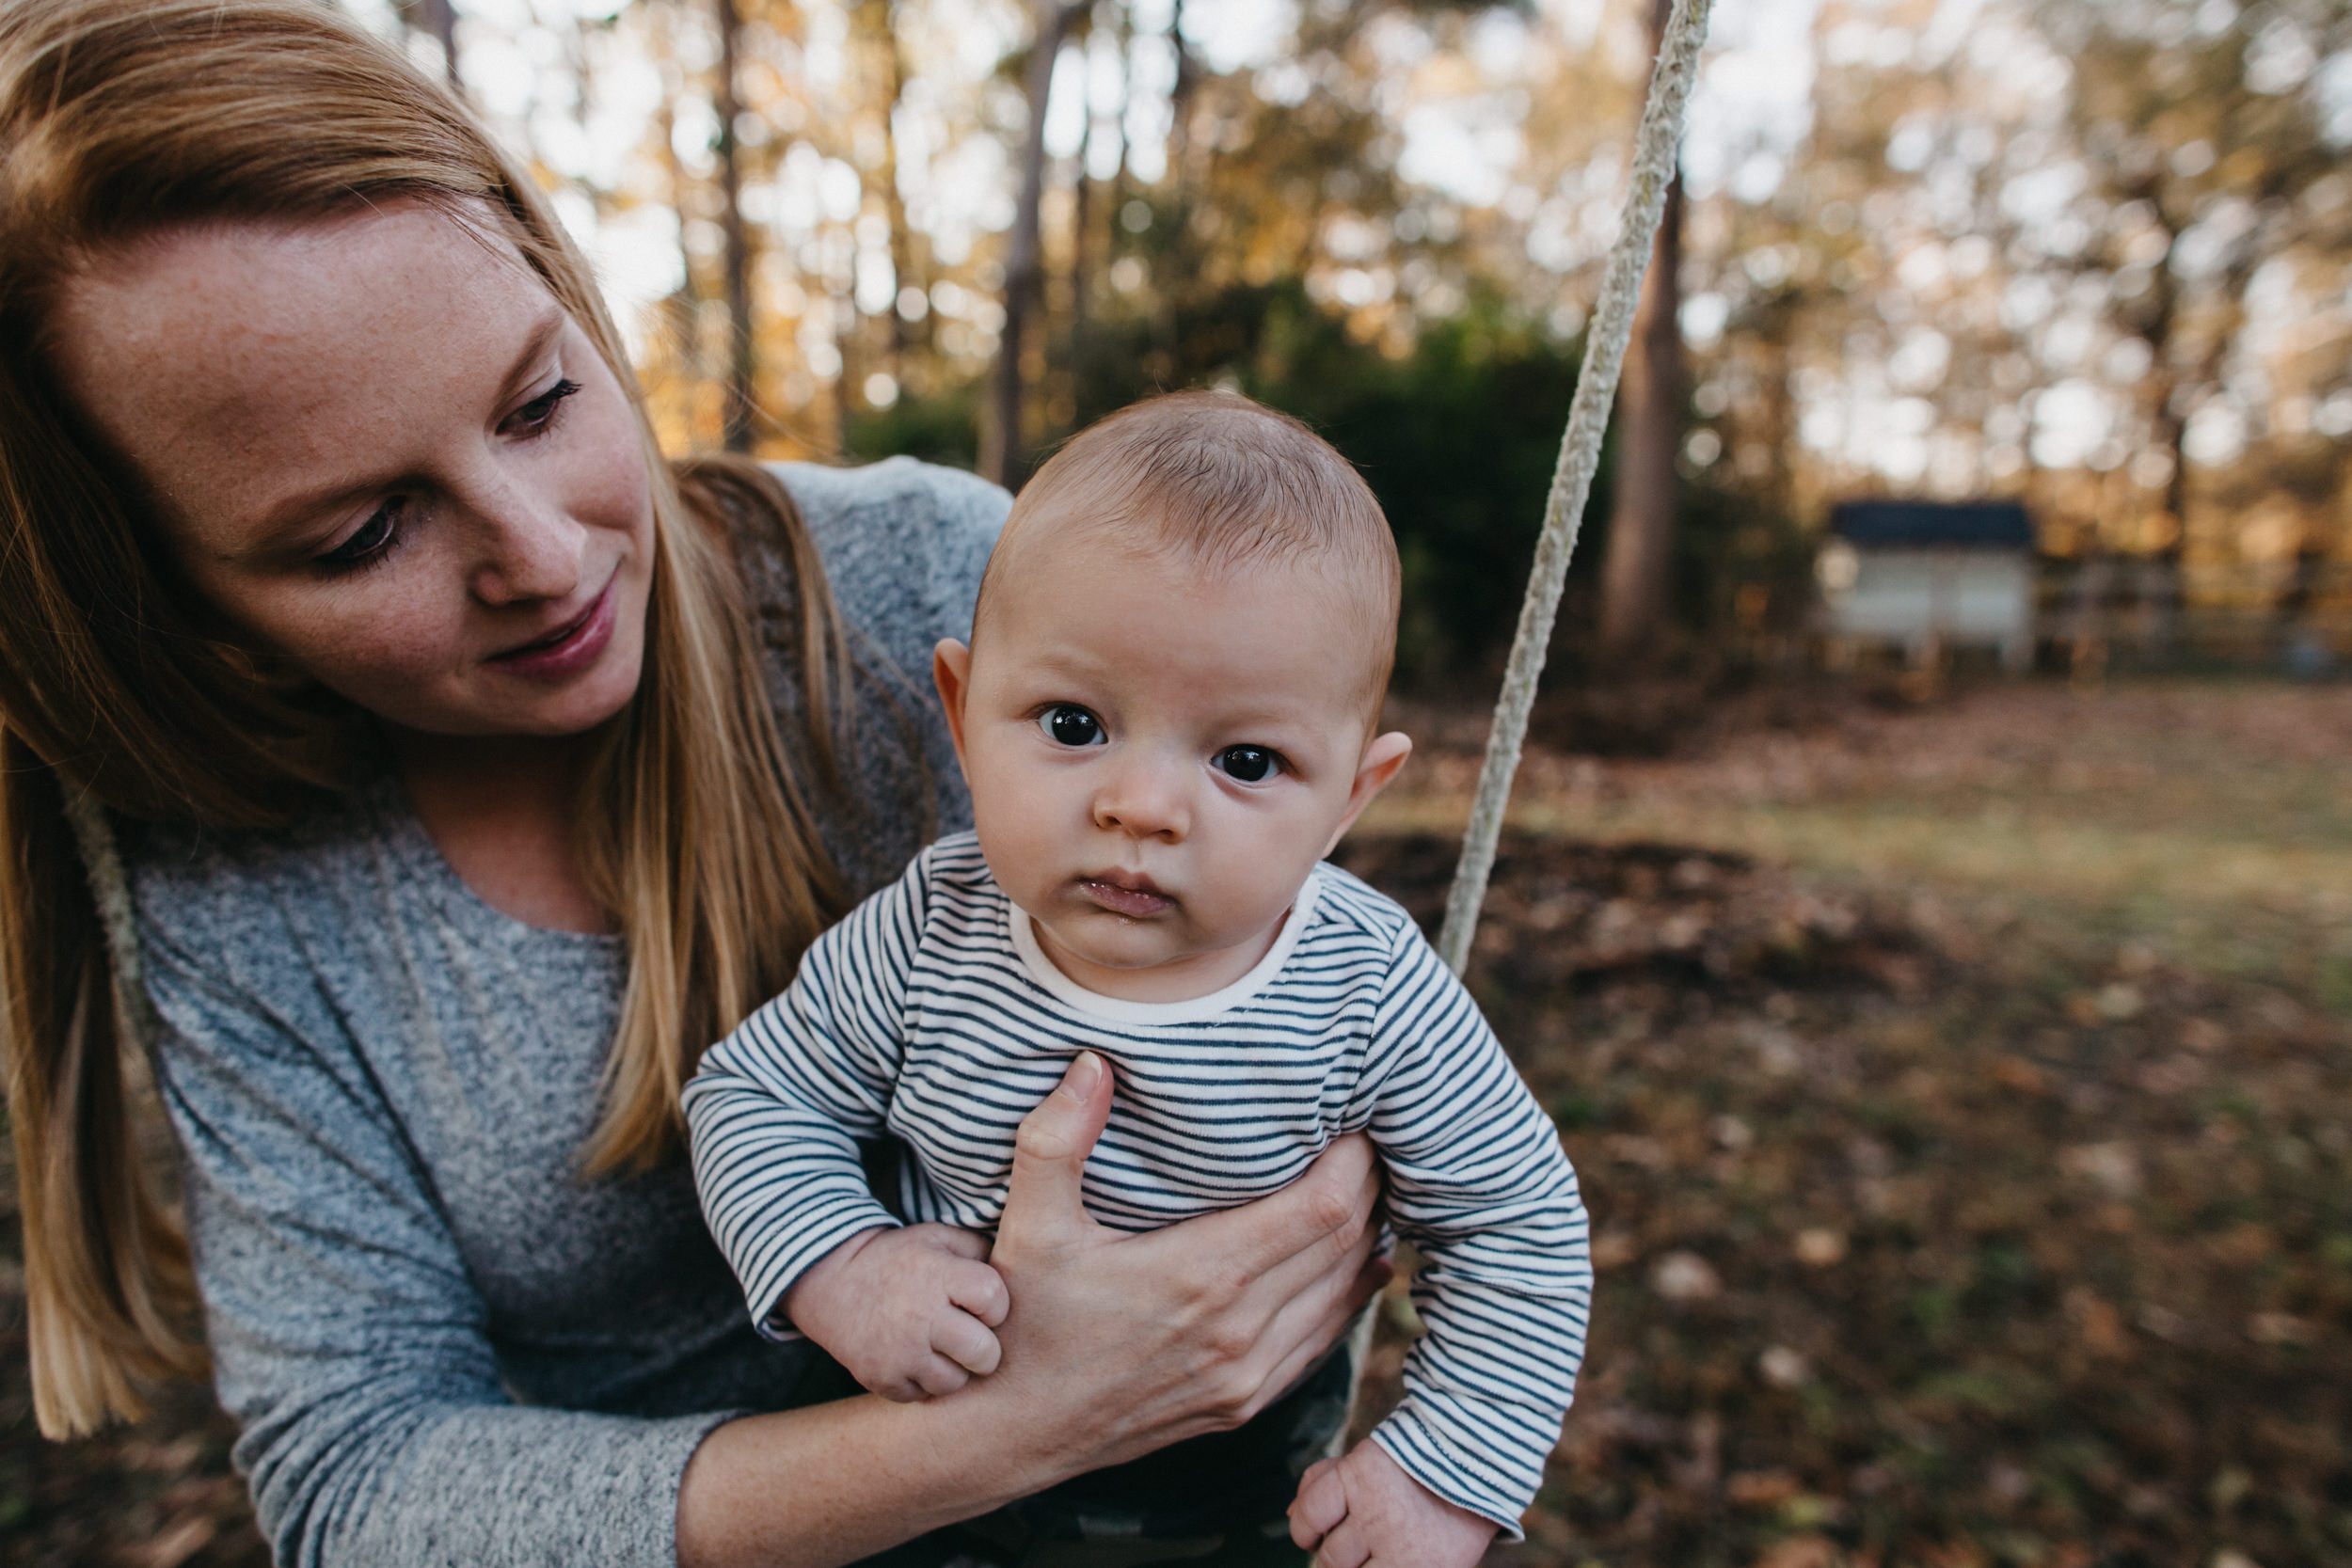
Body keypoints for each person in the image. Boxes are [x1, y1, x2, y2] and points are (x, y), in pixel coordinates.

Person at [0, 5, 1391, 1566]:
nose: (542, 554)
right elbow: (357, 1474)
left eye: (540, 403)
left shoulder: (934, 587)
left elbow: (1310, 1038)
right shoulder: (239, 878)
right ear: (163, 594)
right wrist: (1008, 1424)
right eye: (359, 534)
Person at [686, 393, 1595, 1565]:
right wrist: (841, 1261)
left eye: (1247, 760)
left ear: (1350, 799)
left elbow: (1517, 1221)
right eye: (1073, 722)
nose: (1142, 806)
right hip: (906, 1469)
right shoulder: (929, 931)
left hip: (1229, 1500)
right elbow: (754, 1095)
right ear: (962, 716)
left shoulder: (1365, 988)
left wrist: (1444, 1471)